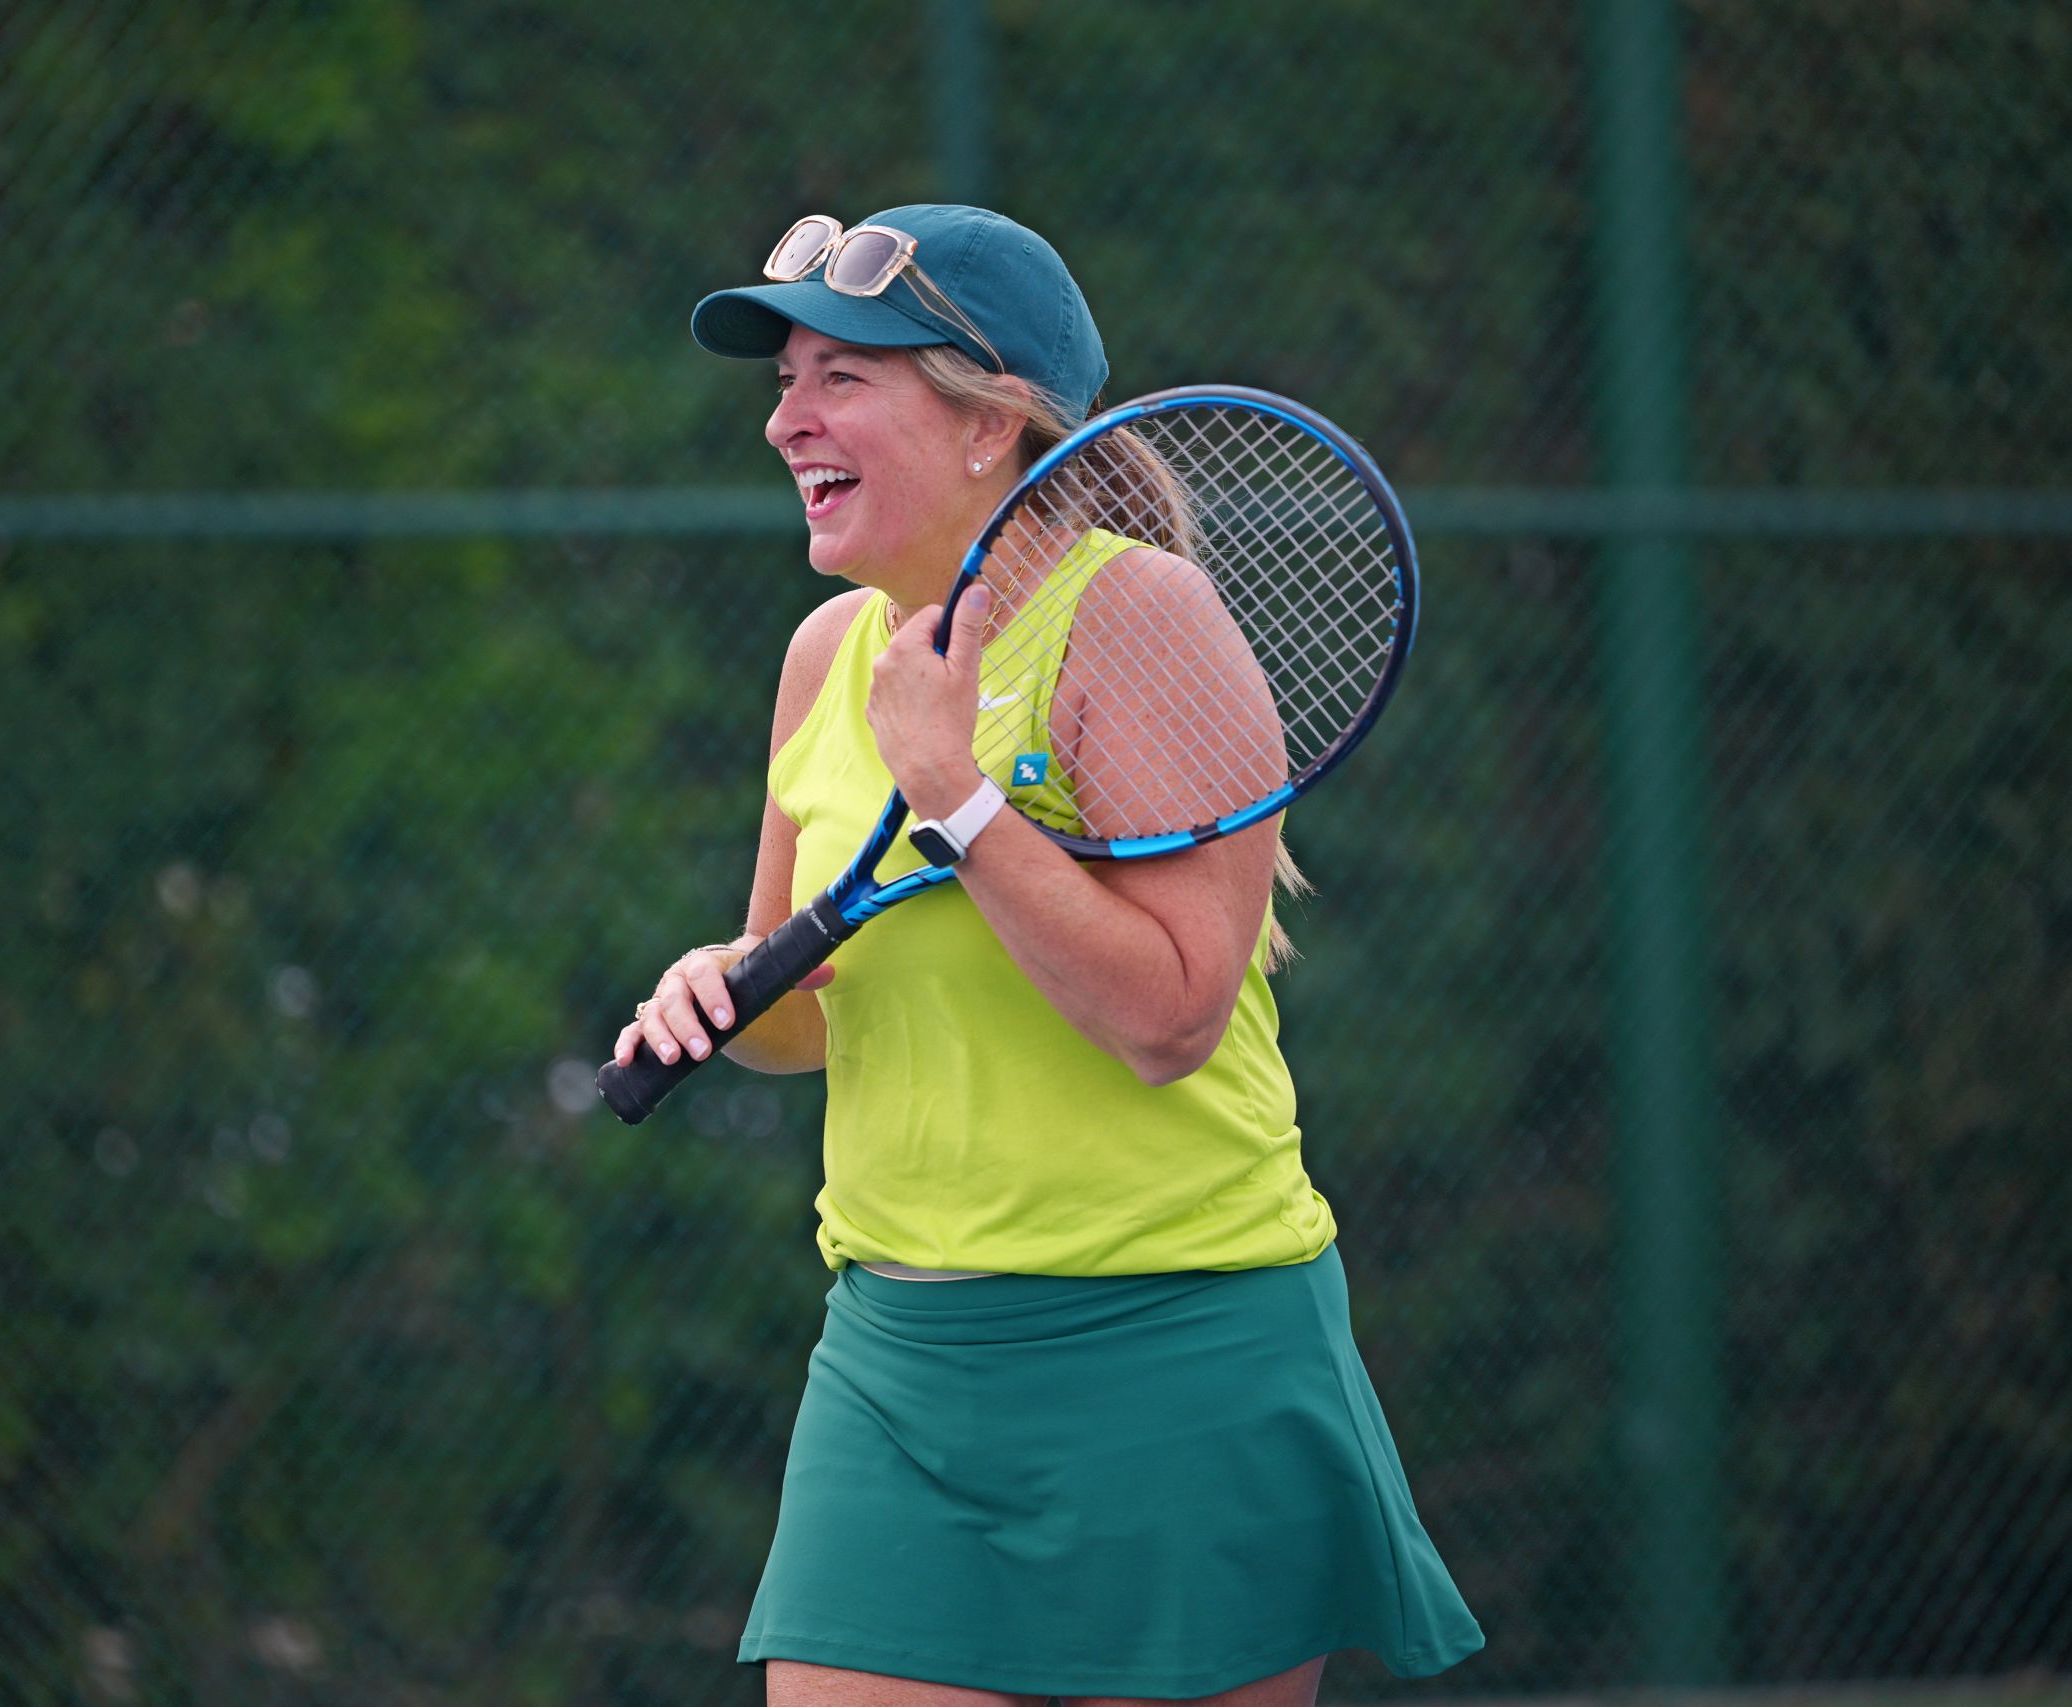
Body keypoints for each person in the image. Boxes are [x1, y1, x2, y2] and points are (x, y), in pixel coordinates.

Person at [611, 205, 1482, 1707]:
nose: (785, 421)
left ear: (987, 423)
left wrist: (956, 798)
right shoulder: (828, 656)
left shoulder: (1138, 618)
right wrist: (728, 986)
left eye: (840, 378)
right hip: (899, 1360)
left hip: (1176, 1348)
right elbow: (805, 1010)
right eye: (784, 381)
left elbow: (1173, 1019)